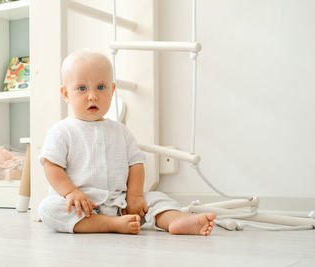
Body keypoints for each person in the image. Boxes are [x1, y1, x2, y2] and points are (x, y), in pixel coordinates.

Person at [38, 50, 216, 235]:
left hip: (121, 201)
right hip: (83, 204)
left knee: (157, 199)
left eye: (101, 87)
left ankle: (178, 220)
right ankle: (109, 224)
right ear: (66, 93)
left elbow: (136, 164)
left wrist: (135, 196)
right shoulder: (62, 131)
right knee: (49, 208)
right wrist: (71, 192)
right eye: (82, 88)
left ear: (112, 90)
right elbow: (52, 166)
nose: (93, 96)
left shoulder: (120, 131)